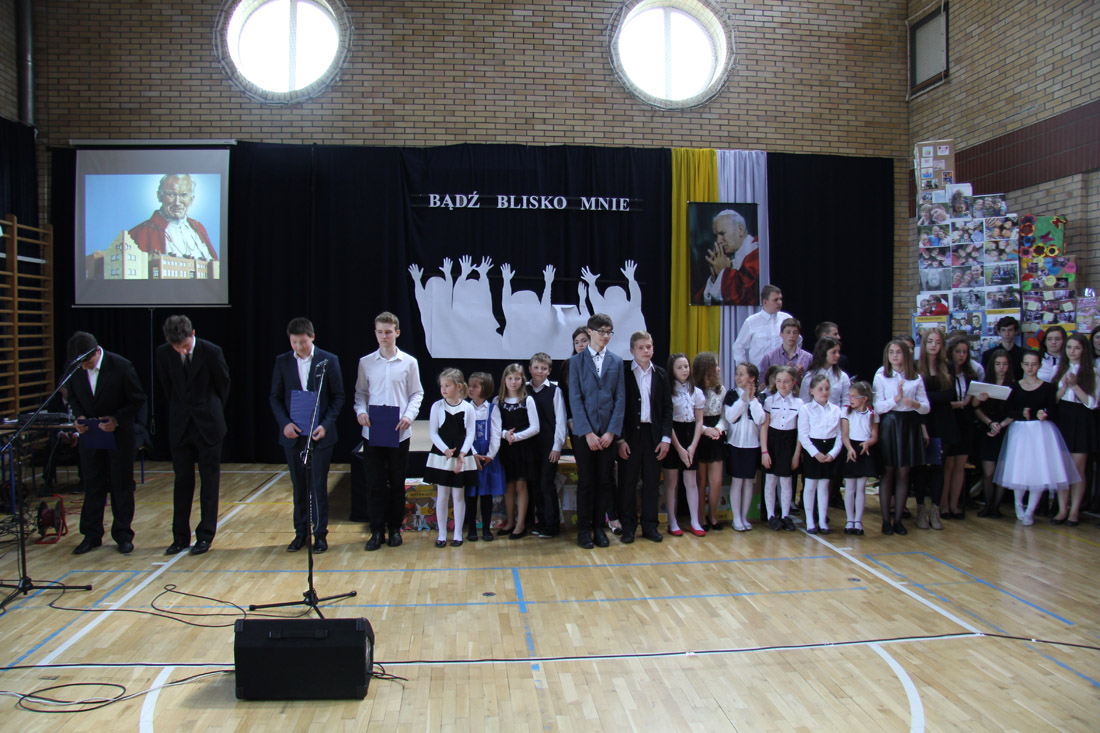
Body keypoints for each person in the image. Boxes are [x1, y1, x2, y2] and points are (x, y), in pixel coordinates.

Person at [155, 315, 230, 556]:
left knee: (209, 482)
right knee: (182, 482)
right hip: (181, 425)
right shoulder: (163, 354)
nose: (182, 350)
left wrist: (209, 410)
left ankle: (205, 536)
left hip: (208, 424)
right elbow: (168, 389)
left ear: (193, 334)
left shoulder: (211, 352)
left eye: (185, 345)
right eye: (177, 347)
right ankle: (180, 537)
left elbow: (223, 385)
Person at [66, 331, 147, 555]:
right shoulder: (75, 367)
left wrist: (117, 419)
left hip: (118, 435)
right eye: (80, 364)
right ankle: (91, 535)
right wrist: (78, 417)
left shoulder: (121, 366)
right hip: (91, 434)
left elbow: (137, 399)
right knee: (93, 484)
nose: (84, 367)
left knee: (121, 485)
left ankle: (123, 534)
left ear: (96, 352)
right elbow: (73, 397)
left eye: (87, 362)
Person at [270, 317, 344, 553]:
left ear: (312, 337)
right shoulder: (283, 362)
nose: (298, 347)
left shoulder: (328, 360)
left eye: (302, 342)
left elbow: (338, 396)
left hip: (319, 434)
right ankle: (300, 532)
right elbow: (275, 397)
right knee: (298, 486)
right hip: (294, 434)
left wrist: (325, 425)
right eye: (294, 342)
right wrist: (285, 424)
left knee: (318, 486)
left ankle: (320, 534)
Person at [355, 311, 424, 551]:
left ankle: (395, 528)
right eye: (380, 332)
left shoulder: (409, 362)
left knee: (396, 482)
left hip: (399, 431)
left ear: (397, 333)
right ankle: (376, 530)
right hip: (373, 432)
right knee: (374, 483)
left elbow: (417, 393)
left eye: (388, 332)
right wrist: (360, 412)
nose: (384, 336)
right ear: (375, 334)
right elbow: (361, 393)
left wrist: (408, 416)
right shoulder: (366, 362)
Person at [995, 351, 1081, 525]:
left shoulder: (1048, 387)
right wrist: (1021, 413)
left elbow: (1053, 410)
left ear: (1040, 366)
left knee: (1039, 471)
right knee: (1019, 469)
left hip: (1040, 432)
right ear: (1022, 366)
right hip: (1020, 431)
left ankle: (1030, 511)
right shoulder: (1014, 386)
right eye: (1027, 364)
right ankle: (1018, 505)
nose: (1030, 368)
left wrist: (1045, 414)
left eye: (1034, 364)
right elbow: (1008, 410)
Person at [568, 313, 626, 549]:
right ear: (590, 332)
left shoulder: (617, 362)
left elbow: (619, 399)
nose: (606, 336)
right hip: (586, 434)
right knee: (586, 482)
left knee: (604, 481)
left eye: (609, 332)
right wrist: (587, 433)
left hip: (607, 435)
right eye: (602, 331)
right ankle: (583, 530)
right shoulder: (576, 362)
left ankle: (599, 529)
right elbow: (575, 398)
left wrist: (611, 432)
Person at [615, 331, 672, 543]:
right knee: (627, 483)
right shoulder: (623, 373)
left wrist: (665, 438)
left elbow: (667, 409)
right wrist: (620, 439)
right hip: (630, 436)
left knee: (651, 483)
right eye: (641, 347)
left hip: (653, 436)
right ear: (632, 350)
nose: (645, 351)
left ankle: (650, 526)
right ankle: (628, 527)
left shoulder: (661, 374)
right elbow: (617, 408)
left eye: (649, 347)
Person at [873, 339, 930, 536]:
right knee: (888, 471)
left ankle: (898, 520)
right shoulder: (881, 375)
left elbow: (926, 407)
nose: (895, 356)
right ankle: (885, 521)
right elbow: (878, 406)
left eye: (898, 352)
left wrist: (915, 404)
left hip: (909, 424)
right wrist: (895, 399)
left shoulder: (916, 377)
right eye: (891, 352)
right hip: (890, 423)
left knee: (904, 472)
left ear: (906, 354)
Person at [423, 369, 477, 548]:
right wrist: (445, 450)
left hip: (461, 454)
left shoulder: (468, 408)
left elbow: (470, 434)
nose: (443, 389)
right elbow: (433, 433)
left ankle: (458, 534)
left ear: (459, 387)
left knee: (458, 495)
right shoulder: (437, 406)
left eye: (447, 385)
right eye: (442, 386)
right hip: (443, 454)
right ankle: (442, 534)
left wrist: (462, 453)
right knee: (442, 495)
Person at [1051, 334, 1098, 525]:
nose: (1072, 351)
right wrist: (1063, 388)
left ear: (1084, 350)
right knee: (1062, 467)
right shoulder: (1058, 369)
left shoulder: (1092, 372)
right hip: (1063, 418)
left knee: (1078, 469)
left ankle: (1075, 511)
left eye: (1077, 348)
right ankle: (1062, 509)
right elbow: (1052, 400)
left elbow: (1093, 403)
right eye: (1069, 347)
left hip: (1082, 419)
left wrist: (1075, 386)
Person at [662, 353, 706, 537]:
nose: (684, 370)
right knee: (671, 482)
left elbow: (699, 421)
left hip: (691, 435)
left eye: (686, 366)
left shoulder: (696, 392)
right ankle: (672, 521)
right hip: (673, 436)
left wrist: (693, 446)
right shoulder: (668, 391)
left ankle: (695, 521)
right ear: (672, 370)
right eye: (679, 367)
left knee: (691, 481)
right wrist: (679, 448)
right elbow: (667, 421)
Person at [495, 363, 540, 539]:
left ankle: (520, 524)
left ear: (522, 380)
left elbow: (535, 427)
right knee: (508, 486)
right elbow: (494, 426)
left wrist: (516, 437)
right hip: (505, 448)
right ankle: (510, 522)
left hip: (523, 448)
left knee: (521, 485)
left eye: (517, 378)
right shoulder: (497, 401)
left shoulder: (527, 400)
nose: (513, 382)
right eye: (510, 378)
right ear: (504, 380)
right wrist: (505, 435)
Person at [128, 174, 218, 260]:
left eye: (184, 195)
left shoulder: (198, 228)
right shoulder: (141, 232)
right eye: (171, 194)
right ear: (159, 196)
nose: (177, 202)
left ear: (191, 199)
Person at [915, 328, 952, 530]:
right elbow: (916, 399)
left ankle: (935, 509)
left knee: (938, 466)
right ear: (924, 344)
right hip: (922, 422)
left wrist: (925, 398)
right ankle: (920, 509)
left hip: (941, 424)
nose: (934, 346)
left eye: (938, 342)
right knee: (921, 467)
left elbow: (950, 395)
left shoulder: (947, 367)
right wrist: (926, 400)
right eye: (930, 341)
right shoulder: (915, 367)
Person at [527, 352, 566, 538]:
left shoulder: (554, 391)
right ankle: (540, 521)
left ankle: (552, 525)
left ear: (549, 371)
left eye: (544, 368)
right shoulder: (524, 389)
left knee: (546, 484)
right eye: (536, 368)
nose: (539, 371)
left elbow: (561, 420)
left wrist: (557, 446)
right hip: (529, 446)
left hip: (548, 446)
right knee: (535, 485)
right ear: (530, 369)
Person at [798, 374, 843, 534]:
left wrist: (833, 453)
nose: (824, 392)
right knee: (810, 486)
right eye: (820, 389)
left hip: (829, 449)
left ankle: (823, 521)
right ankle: (810, 520)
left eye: (827, 389)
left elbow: (839, 435)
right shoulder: (806, 409)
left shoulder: (836, 410)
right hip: (813, 450)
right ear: (812, 391)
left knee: (824, 486)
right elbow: (803, 435)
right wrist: (815, 453)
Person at [724, 362, 765, 532]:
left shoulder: (760, 397)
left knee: (749, 481)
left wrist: (752, 399)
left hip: (752, 444)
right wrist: (743, 399)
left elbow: (760, 419)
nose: (737, 377)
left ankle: (744, 516)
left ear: (752, 378)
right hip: (735, 443)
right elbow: (730, 417)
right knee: (737, 481)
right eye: (737, 374)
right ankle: (736, 518)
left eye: (742, 374)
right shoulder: (731, 395)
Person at [760, 366, 802, 531]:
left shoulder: (799, 404)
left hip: (789, 443)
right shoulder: (769, 401)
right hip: (772, 442)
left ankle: (785, 515)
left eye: (786, 382)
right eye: (779, 381)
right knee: (771, 480)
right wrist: (764, 451)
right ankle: (771, 515)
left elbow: (800, 432)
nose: (782, 385)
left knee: (786, 481)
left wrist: (796, 454)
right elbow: (764, 427)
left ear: (793, 382)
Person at [942, 335, 979, 518]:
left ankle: (954, 504)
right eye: (958, 352)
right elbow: (942, 401)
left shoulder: (970, 374)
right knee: (948, 465)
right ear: (951, 353)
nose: (961, 355)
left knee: (960, 465)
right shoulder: (945, 373)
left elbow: (973, 403)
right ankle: (943, 505)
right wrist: (960, 403)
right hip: (950, 420)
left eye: (964, 352)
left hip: (965, 421)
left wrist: (978, 399)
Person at [973, 350, 1012, 518]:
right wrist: (990, 423)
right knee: (988, 472)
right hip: (988, 429)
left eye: (1004, 364)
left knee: (1001, 472)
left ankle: (996, 507)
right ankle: (988, 505)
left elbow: (1015, 412)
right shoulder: (985, 384)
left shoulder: (1013, 386)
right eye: (998, 364)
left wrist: (1001, 426)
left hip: (1005, 430)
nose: (1001, 367)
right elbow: (976, 407)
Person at [465, 372, 504, 542]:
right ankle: (471, 529)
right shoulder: (465, 408)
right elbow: (465, 434)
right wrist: (473, 453)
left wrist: (490, 456)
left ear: (485, 388)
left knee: (486, 495)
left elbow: (496, 434)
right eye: (470, 385)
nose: (470, 389)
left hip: (487, 458)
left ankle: (486, 529)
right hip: (471, 455)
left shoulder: (492, 409)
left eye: (475, 386)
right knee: (471, 495)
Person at [693, 352, 727, 530]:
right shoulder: (694, 390)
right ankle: (700, 517)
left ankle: (712, 515)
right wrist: (706, 430)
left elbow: (724, 416)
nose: (718, 369)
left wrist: (718, 429)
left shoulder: (721, 390)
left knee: (716, 481)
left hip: (716, 436)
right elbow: (692, 417)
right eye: (715, 365)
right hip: (700, 434)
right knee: (701, 481)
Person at [697, 209, 759, 306]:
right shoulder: (728, 257)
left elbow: (746, 297)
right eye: (716, 236)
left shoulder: (757, 254)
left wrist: (723, 272)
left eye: (722, 233)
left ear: (740, 229)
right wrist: (714, 278)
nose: (718, 241)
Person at [841, 381, 879, 536]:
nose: (851, 399)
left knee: (861, 487)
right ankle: (849, 519)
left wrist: (868, 443)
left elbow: (875, 436)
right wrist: (849, 448)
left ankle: (858, 520)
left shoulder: (872, 414)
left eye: (854, 396)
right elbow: (844, 435)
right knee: (850, 487)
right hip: (851, 448)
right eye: (849, 396)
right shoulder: (846, 412)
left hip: (864, 449)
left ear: (864, 398)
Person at [731, 285, 794, 371]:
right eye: (776, 300)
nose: (779, 302)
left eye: (780, 299)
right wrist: (745, 369)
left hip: (783, 372)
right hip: (760, 373)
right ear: (765, 302)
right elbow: (738, 346)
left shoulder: (786, 318)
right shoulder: (751, 322)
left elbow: (797, 340)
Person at [758, 317, 813, 386]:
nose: (792, 336)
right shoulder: (769, 358)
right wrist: (782, 374)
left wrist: (800, 377)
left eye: (795, 332)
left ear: (798, 334)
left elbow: (813, 385)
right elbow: (762, 385)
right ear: (781, 334)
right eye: (788, 332)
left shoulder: (808, 358)